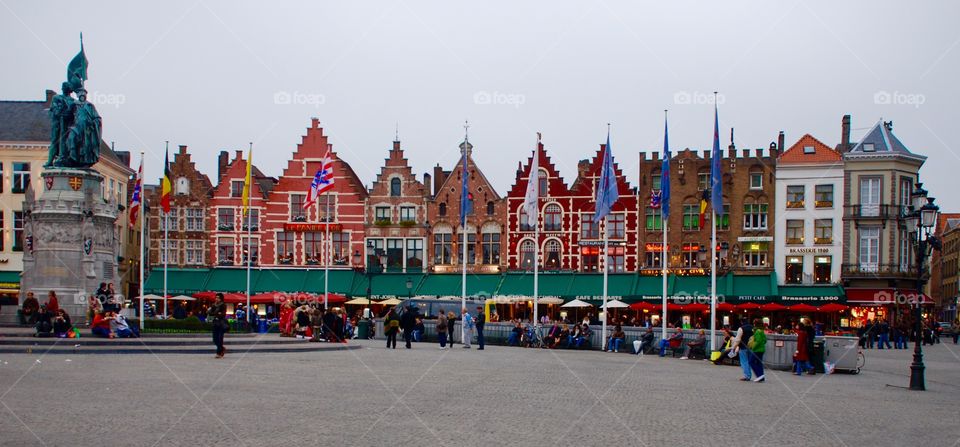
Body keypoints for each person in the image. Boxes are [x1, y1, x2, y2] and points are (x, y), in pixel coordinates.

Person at [208, 293, 228, 358]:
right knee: (215, 339)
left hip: (221, 323)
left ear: (221, 299)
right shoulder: (214, 305)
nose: (216, 299)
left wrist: (216, 313)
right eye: (216, 297)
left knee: (220, 338)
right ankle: (222, 348)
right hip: (215, 323)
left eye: (218, 298)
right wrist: (216, 313)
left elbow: (223, 314)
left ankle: (218, 353)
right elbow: (210, 313)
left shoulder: (223, 305)